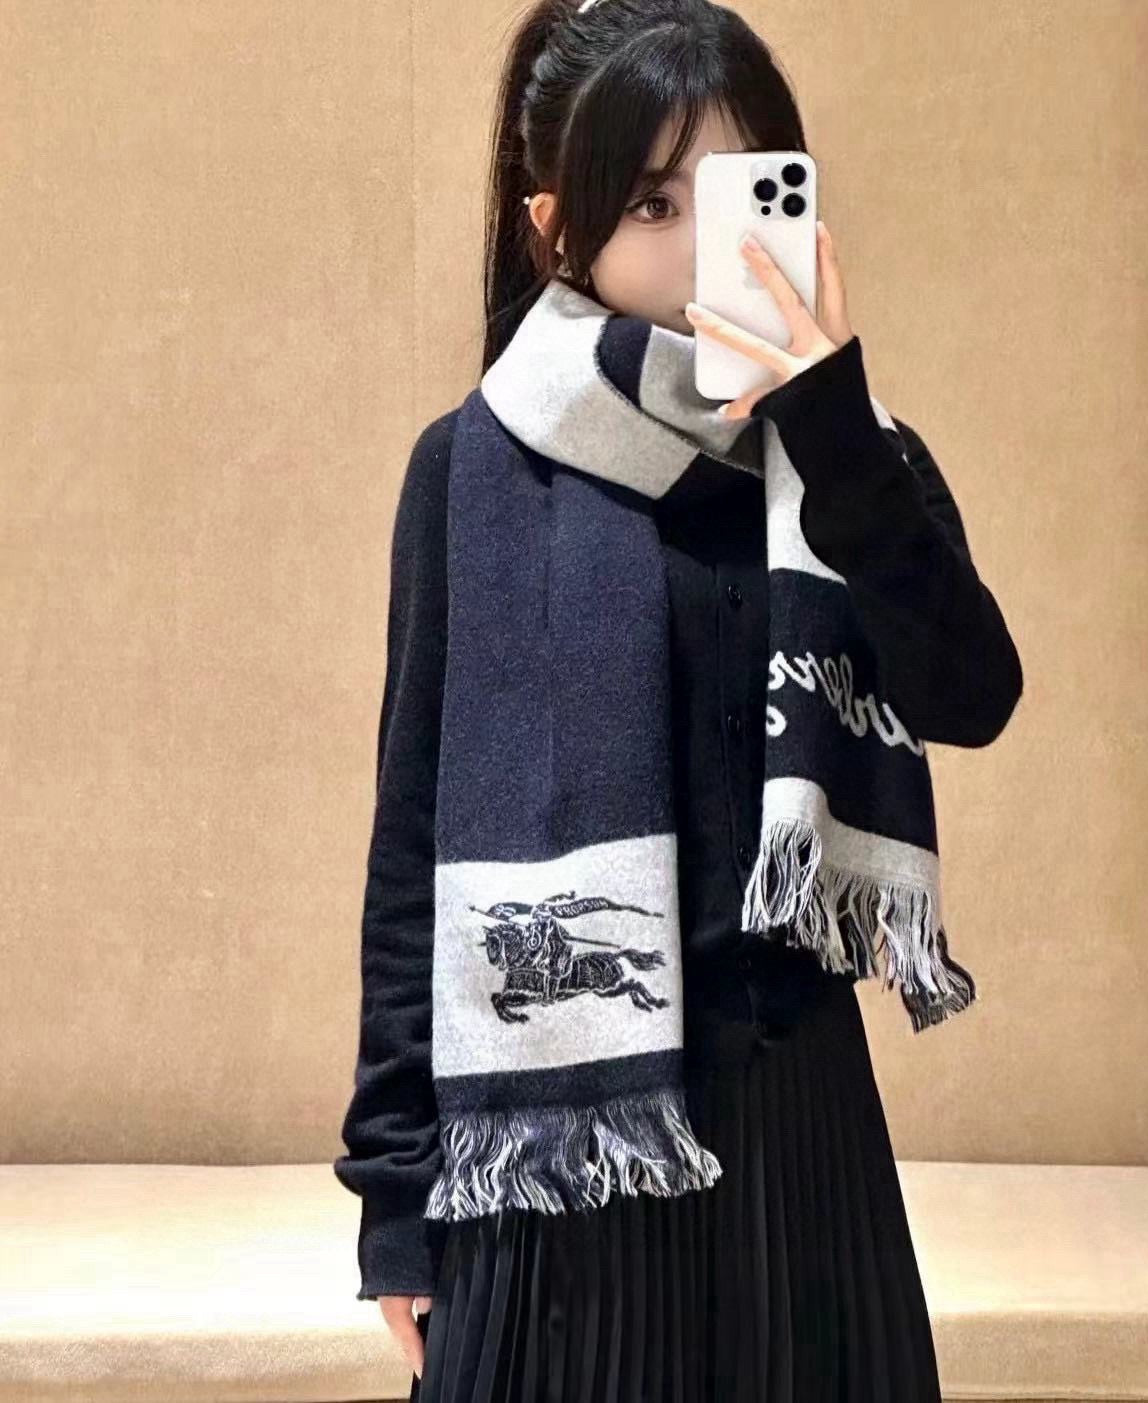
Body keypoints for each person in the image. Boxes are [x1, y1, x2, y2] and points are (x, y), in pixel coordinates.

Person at [332, 1, 1023, 1399]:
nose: (703, 243)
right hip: (557, 1155)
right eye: (654, 204)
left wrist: (831, 419)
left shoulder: (850, 460)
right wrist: (396, 1197)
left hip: (799, 1146)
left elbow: (972, 691)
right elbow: (412, 851)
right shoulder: (473, 469)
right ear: (556, 227)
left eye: (736, 189)